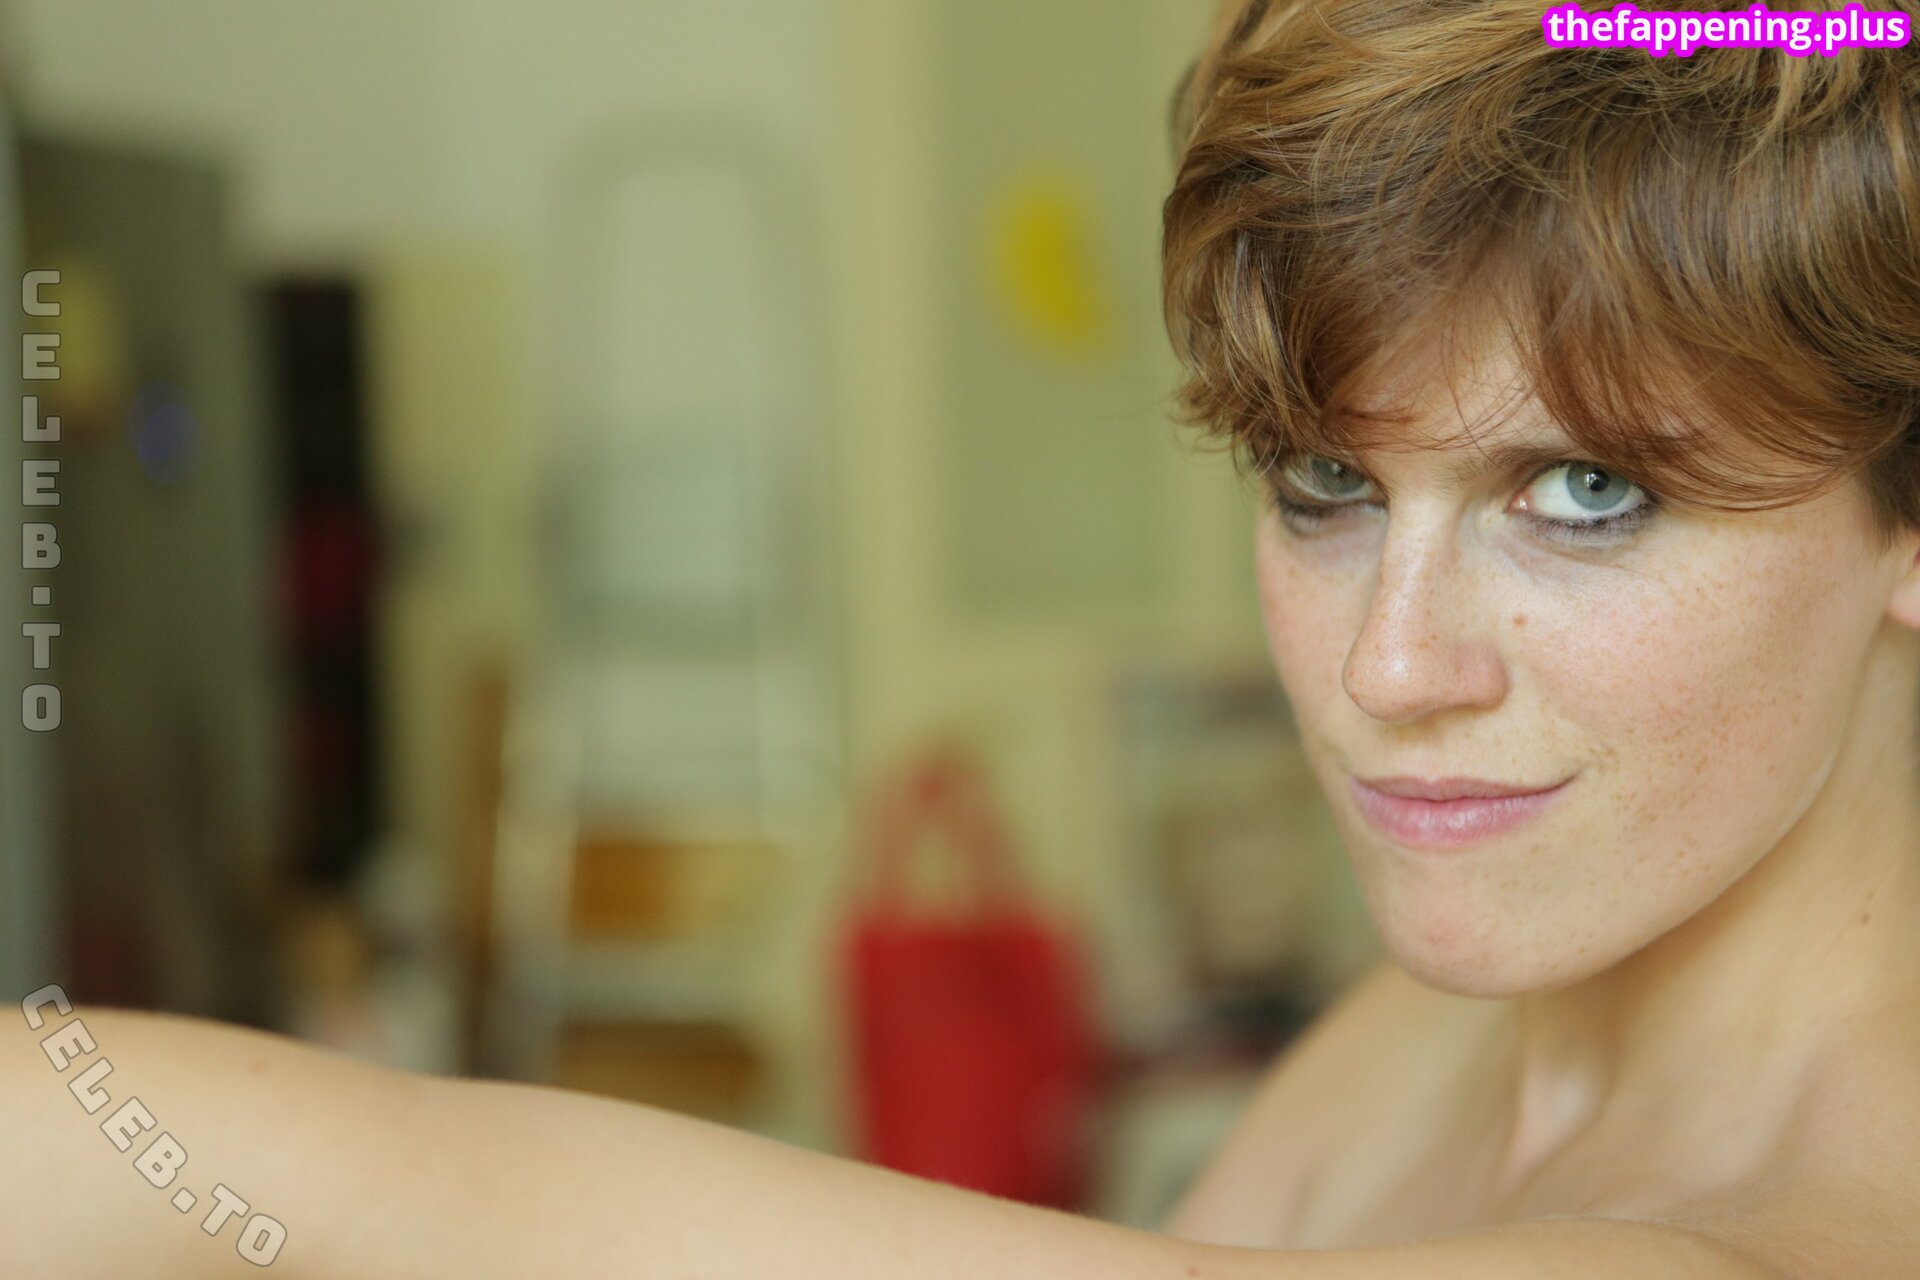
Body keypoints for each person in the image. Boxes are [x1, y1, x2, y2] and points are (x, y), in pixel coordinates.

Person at [6, 0, 1918, 1275]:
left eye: (1585, 493)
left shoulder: (1838, 1223)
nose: (1389, 668)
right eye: (1325, 484)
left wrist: (127, 1119)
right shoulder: (1429, 1040)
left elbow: (332, 1191)